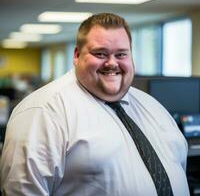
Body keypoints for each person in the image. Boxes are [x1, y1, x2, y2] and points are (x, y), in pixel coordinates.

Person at [0, 13, 189, 196]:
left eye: (121, 54)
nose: (112, 63)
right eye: (100, 53)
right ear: (77, 55)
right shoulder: (44, 111)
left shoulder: (152, 106)